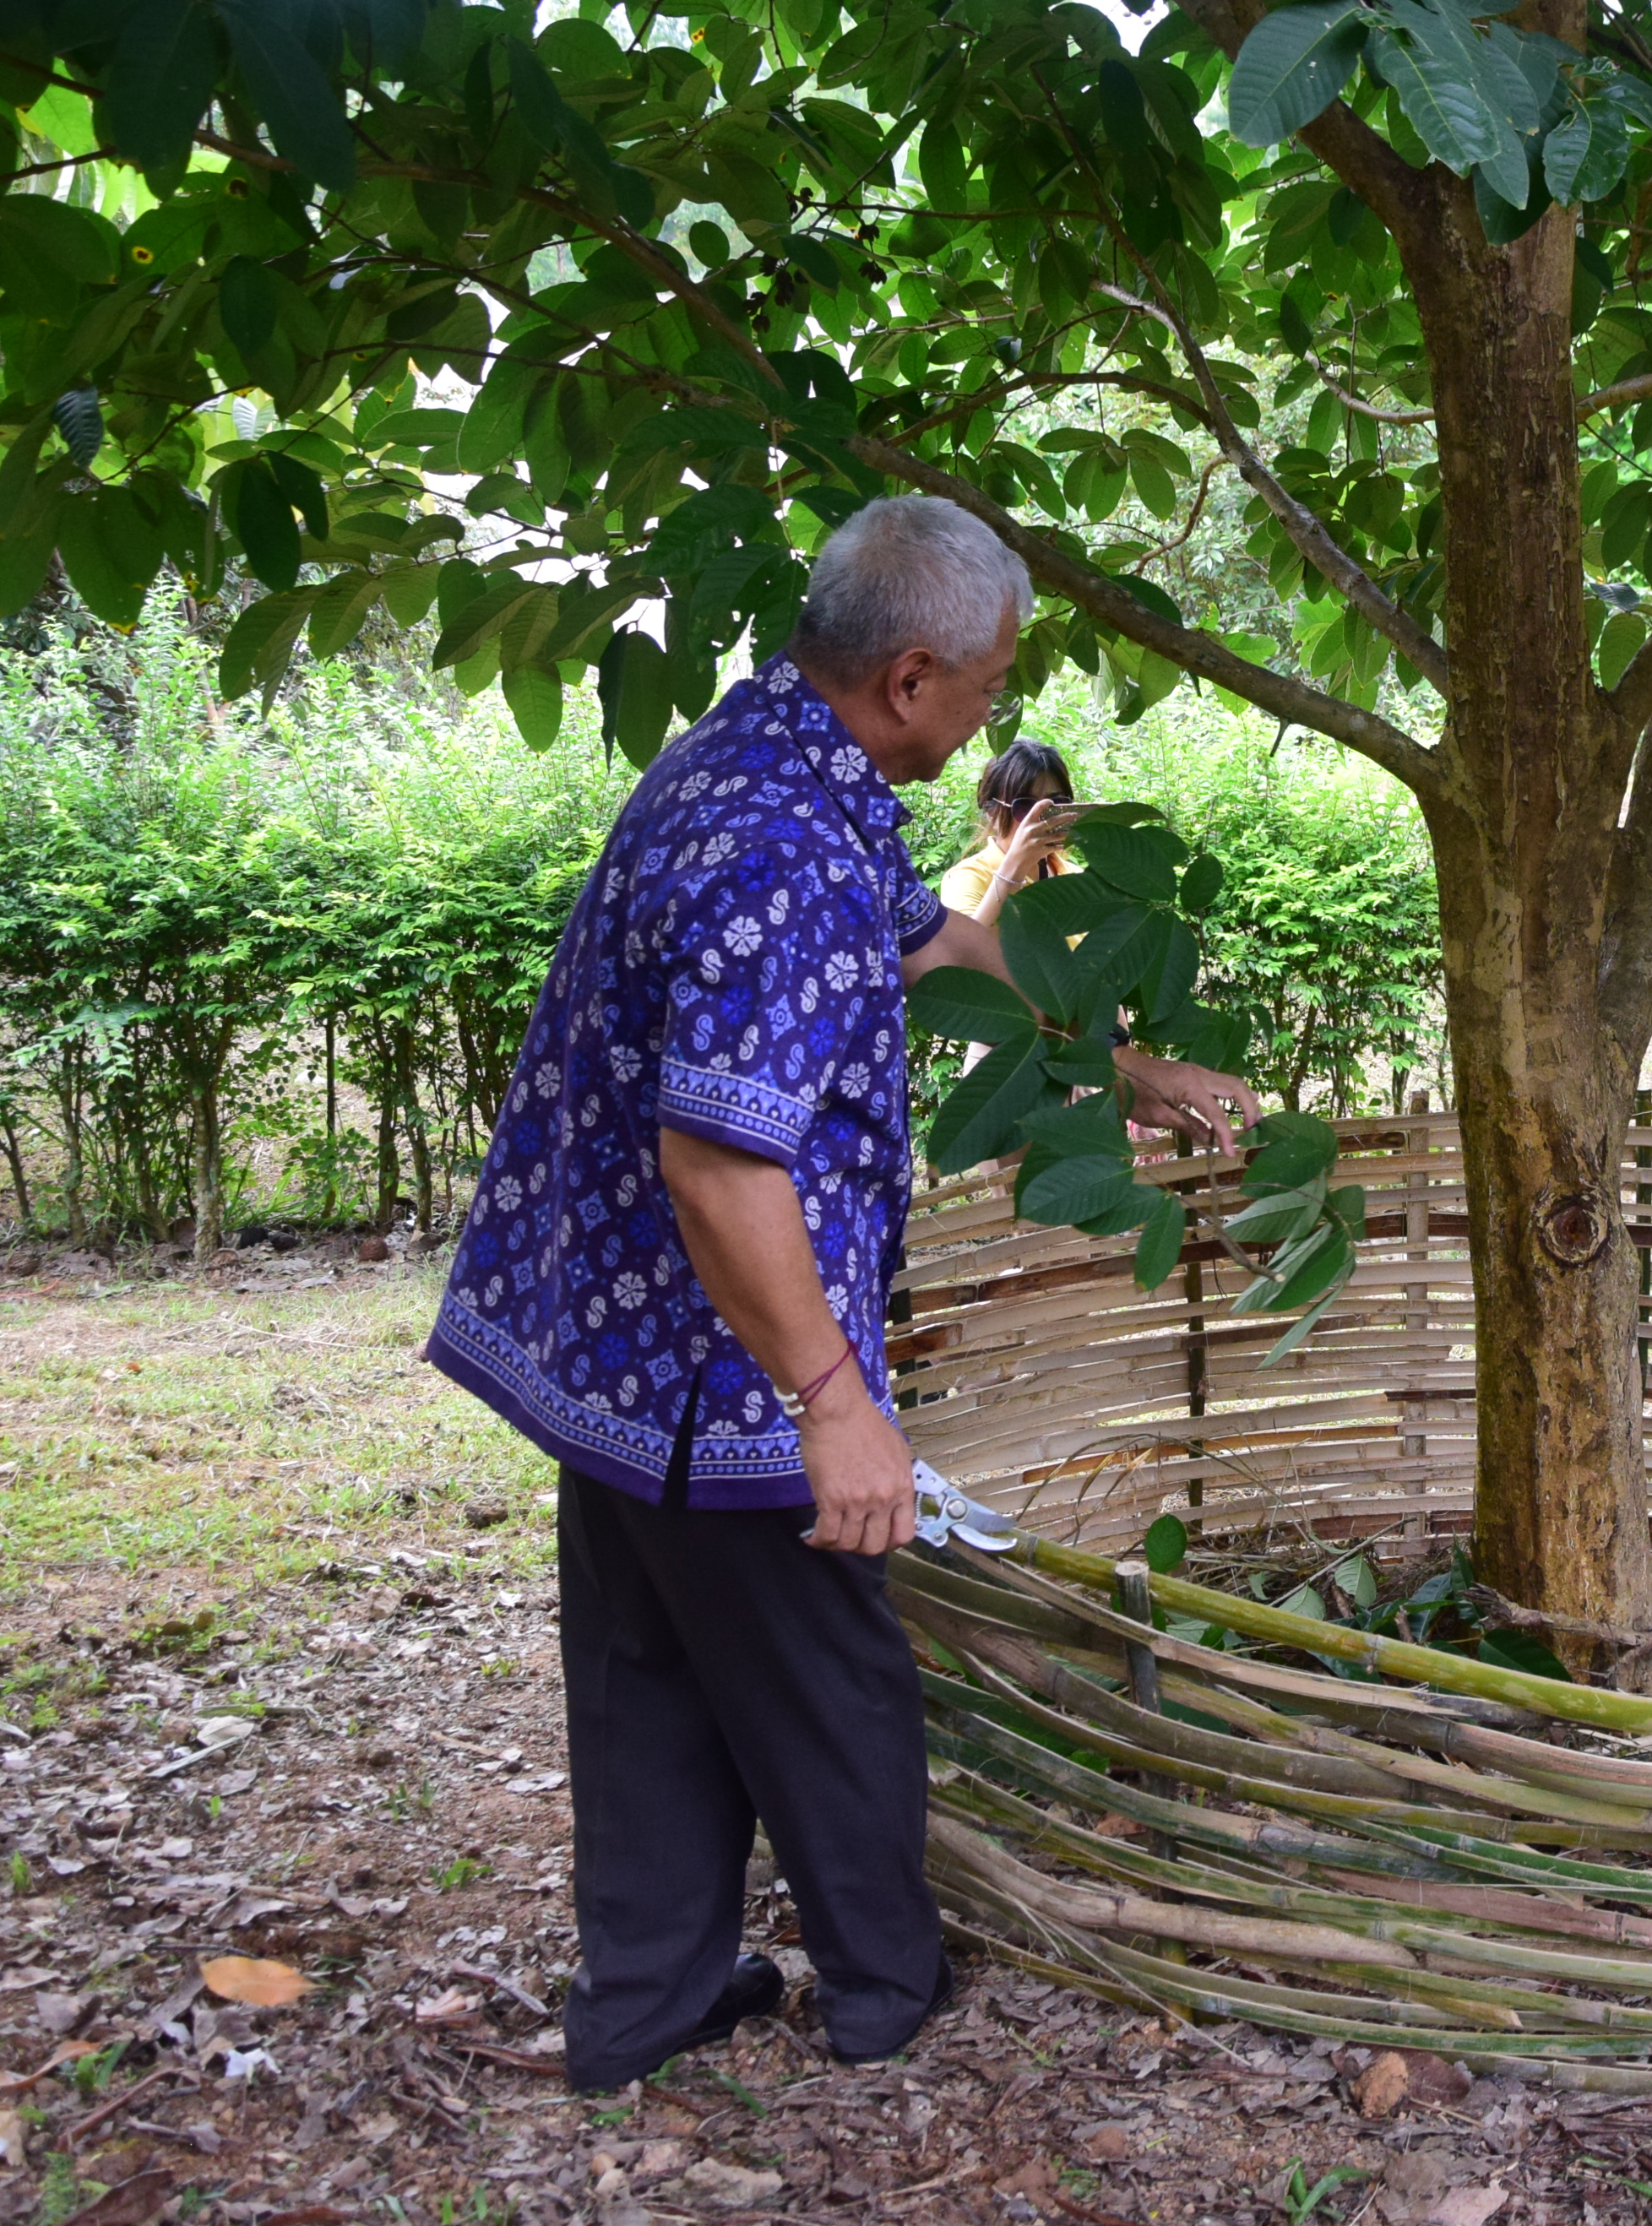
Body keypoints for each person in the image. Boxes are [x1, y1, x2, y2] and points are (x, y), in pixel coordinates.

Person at [423, 497, 1257, 2087]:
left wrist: (1120, 1065)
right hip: (707, 1355)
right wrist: (833, 1402)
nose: (993, 720)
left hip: (606, 1340)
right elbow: (720, 1166)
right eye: (991, 690)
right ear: (914, 676)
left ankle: (648, 2000)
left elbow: (931, 944)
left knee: (647, 1663)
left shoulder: (766, 754)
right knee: (828, 1669)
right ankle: (884, 1997)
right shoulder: (778, 853)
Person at [938, 739, 1076, 928]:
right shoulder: (967, 878)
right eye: (1025, 806)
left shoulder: (1075, 877)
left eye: (1055, 804)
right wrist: (1014, 869)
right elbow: (962, 953)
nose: (1039, 818)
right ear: (991, 810)